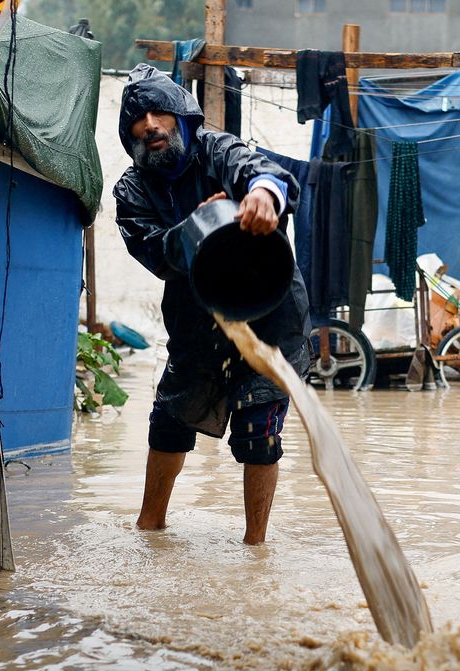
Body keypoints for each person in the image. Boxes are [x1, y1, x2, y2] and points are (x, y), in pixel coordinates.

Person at [113, 65, 311, 545]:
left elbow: (262, 170)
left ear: (182, 118)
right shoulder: (131, 190)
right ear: (130, 134)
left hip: (268, 314)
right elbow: (157, 254)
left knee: (258, 434)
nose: (152, 125)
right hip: (196, 320)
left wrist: (264, 193)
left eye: (161, 111)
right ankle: (149, 529)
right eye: (139, 119)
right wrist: (198, 225)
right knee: (167, 423)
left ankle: (256, 548)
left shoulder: (217, 150)